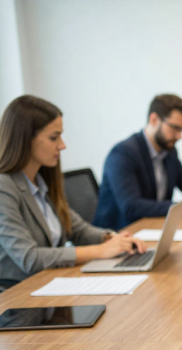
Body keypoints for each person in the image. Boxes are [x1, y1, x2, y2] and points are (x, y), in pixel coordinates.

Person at [0, 95, 146, 292]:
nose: (62, 145)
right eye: (54, 137)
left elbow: (77, 230)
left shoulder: (43, 179)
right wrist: (100, 251)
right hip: (18, 295)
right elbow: (29, 258)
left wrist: (111, 239)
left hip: (51, 284)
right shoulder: (4, 187)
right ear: (25, 138)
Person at [93, 94, 182, 231]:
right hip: (119, 235)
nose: (179, 136)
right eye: (175, 128)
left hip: (154, 229)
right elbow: (131, 207)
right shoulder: (123, 154)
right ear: (154, 120)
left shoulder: (169, 152)